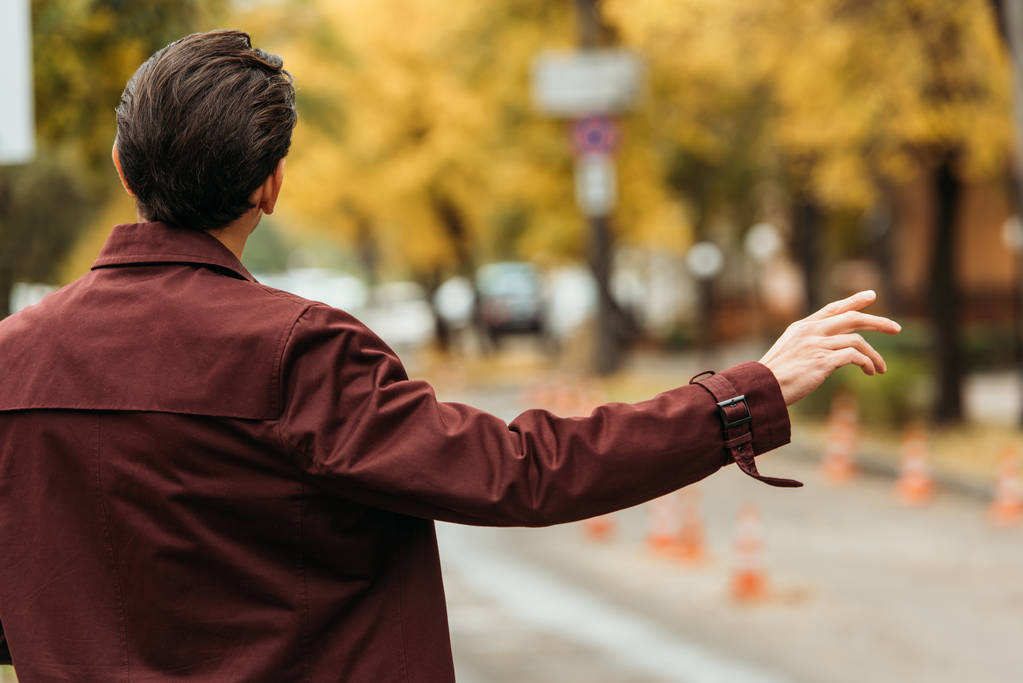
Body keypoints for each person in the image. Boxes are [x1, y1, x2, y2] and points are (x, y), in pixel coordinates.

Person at [0, 30, 899, 682]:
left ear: (123, 165)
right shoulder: (297, 352)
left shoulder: (13, 360)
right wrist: (745, 394)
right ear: (271, 184)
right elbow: (523, 472)